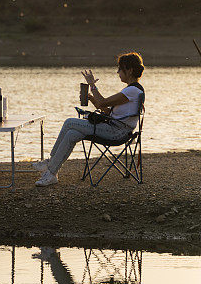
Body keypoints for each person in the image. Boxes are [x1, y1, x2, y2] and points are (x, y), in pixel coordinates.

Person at [33, 52, 145, 187]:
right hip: (115, 128)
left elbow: (103, 102)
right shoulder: (132, 90)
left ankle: (50, 162)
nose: (117, 72)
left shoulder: (132, 91)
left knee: (69, 122)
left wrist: (92, 84)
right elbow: (108, 111)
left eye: (120, 69)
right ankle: (52, 174)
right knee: (72, 134)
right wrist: (91, 98)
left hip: (116, 132)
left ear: (130, 70)